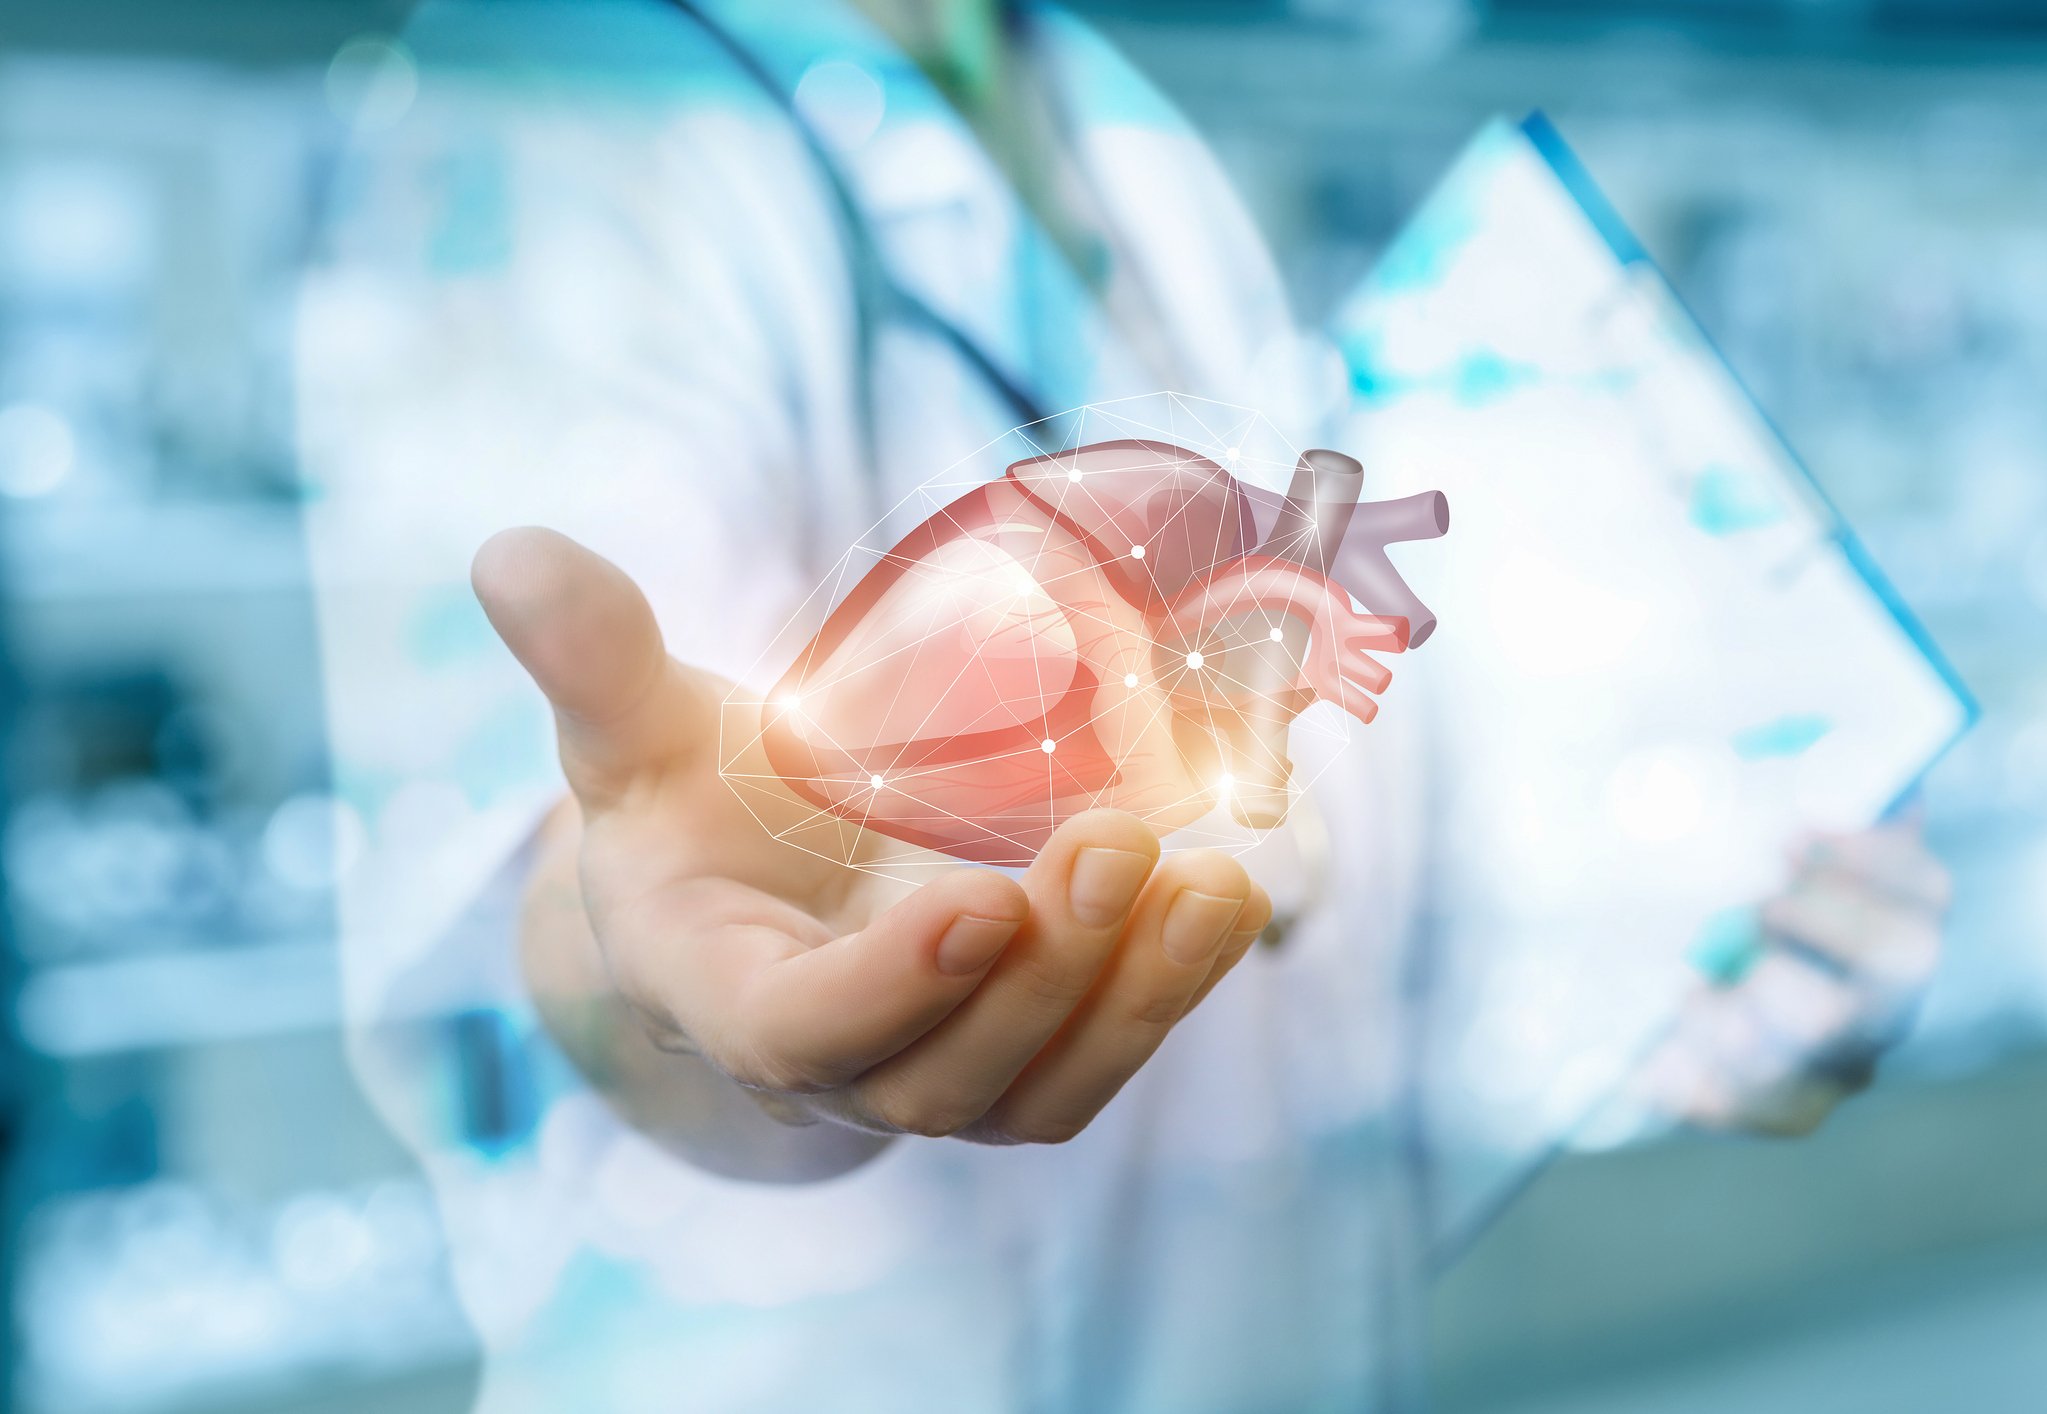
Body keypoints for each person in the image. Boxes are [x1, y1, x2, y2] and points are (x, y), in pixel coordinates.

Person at [297, 1, 1953, 1408]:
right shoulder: (562, 100)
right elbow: (583, 880)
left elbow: (1307, 821)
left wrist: (1688, 941)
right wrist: (671, 972)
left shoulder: (1117, 119)